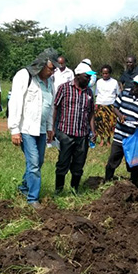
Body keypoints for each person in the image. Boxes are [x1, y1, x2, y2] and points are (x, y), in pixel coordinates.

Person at [7, 48, 61, 209]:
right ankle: (32, 199)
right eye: (52, 68)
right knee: (34, 163)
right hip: (26, 128)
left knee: (38, 162)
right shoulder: (24, 76)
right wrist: (14, 129)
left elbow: (50, 106)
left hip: (42, 129)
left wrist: (50, 128)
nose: (53, 72)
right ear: (43, 64)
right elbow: (15, 102)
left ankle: (23, 187)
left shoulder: (50, 82)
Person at [52, 62, 96, 194]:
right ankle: (58, 191)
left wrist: (93, 131)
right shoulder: (64, 88)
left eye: (89, 77)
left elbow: (91, 113)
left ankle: (74, 190)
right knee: (63, 163)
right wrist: (52, 128)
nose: (89, 79)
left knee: (78, 165)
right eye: (86, 76)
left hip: (82, 134)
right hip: (66, 132)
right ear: (77, 75)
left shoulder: (89, 92)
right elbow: (55, 107)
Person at [104, 74, 138, 187]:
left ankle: (134, 186)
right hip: (120, 135)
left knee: (134, 164)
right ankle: (107, 182)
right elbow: (115, 107)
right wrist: (120, 116)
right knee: (112, 160)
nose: (136, 88)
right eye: (135, 85)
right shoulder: (124, 94)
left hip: (134, 137)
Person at [94, 64, 120, 147]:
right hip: (100, 104)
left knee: (110, 123)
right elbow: (96, 94)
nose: (105, 75)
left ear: (110, 73)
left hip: (111, 105)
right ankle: (101, 139)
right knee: (100, 123)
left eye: (107, 73)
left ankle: (108, 140)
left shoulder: (114, 82)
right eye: (103, 73)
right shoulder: (99, 82)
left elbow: (117, 94)